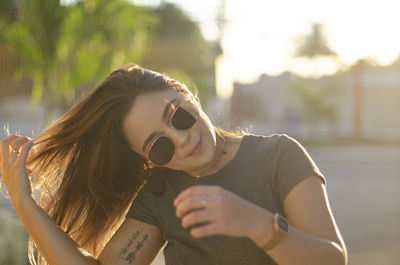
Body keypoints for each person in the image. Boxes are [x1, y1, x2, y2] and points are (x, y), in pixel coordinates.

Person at [0, 63, 347, 265]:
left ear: (187, 94)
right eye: (159, 146)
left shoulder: (278, 157)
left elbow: (333, 259)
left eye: (177, 115)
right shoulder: (160, 193)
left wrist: (256, 224)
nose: (182, 139)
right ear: (145, 159)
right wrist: (25, 205)